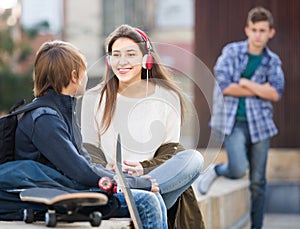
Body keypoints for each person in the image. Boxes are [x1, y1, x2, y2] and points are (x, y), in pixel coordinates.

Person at [12, 40, 168, 229]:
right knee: (147, 202)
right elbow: (81, 172)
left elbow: (84, 164)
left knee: (154, 197)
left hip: (69, 190)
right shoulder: (45, 118)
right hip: (57, 198)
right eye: (84, 71)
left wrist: (120, 176)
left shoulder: (60, 112)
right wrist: (136, 183)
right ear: (75, 76)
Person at [81, 24, 205, 228]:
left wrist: (142, 170)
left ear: (147, 60)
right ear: (108, 60)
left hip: (155, 179)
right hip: (113, 181)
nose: (122, 62)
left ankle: (137, 191)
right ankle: (134, 193)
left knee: (194, 159)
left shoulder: (167, 96)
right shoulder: (93, 97)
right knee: (155, 203)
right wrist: (107, 170)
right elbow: (90, 148)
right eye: (116, 55)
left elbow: (170, 151)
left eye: (130, 54)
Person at [197, 6, 285, 229]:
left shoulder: (272, 61)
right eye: (254, 29)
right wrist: (259, 88)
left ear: (270, 33)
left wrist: (245, 83)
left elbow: (275, 92)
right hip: (233, 122)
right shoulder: (231, 52)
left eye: (262, 30)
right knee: (237, 169)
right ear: (247, 30)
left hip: (261, 125)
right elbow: (225, 85)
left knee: (258, 182)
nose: (258, 35)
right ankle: (217, 170)